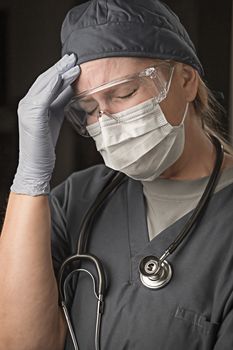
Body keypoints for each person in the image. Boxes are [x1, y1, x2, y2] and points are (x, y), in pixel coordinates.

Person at [0, 0, 233, 349]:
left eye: (124, 93)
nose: (106, 120)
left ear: (185, 80)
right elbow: (22, 342)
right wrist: (30, 180)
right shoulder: (78, 197)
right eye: (89, 109)